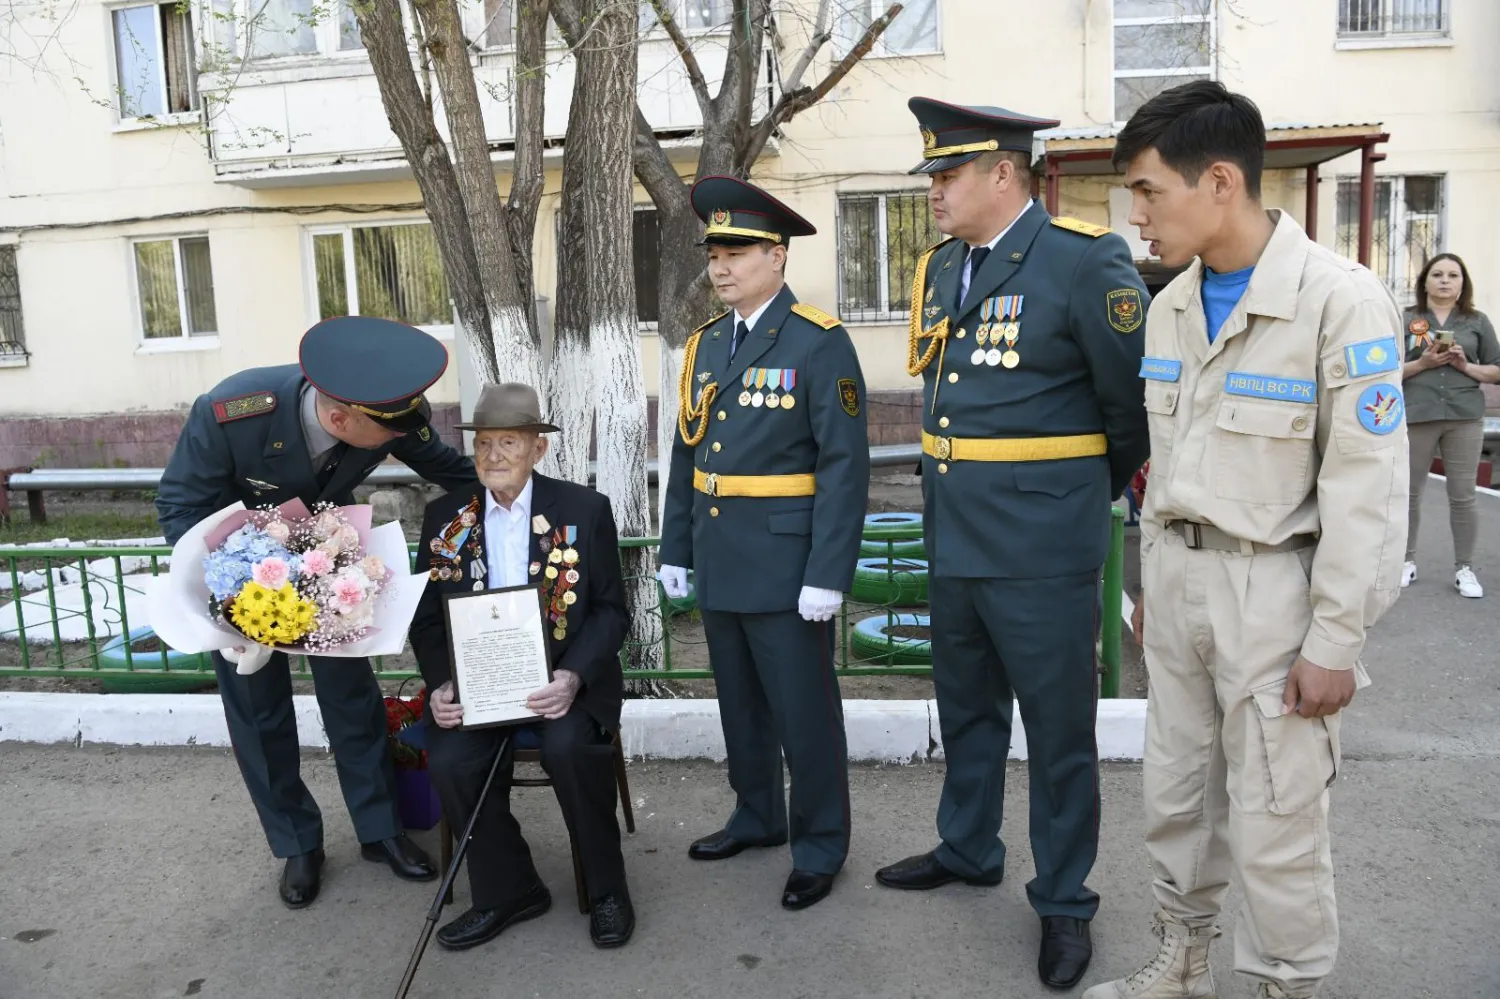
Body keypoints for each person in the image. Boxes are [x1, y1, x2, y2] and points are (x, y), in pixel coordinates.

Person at [1088, 82, 1408, 999]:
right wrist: (1155, 577)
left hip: (1277, 593)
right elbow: (1169, 458)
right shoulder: (1170, 308)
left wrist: (1338, 637)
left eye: (1148, 192)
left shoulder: (1337, 302)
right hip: (1184, 583)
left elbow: (1369, 490)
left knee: (1277, 814)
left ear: (1219, 180)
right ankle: (1183, 960)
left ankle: (1283, 983)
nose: (1136, 216)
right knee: (1177, 797)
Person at [874, 97, 1149, 990]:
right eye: (932, 178)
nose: (935, 194)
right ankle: (969, 845)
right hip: (955, 532)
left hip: (1041, 543)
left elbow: (1129, 412)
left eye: (947, 176)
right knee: (970, 709)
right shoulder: (947, 267)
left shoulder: (1080, 260)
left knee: (1059, 730)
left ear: (1004, 173)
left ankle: (1065, 898)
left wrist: (1072, 498)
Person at [155, 316, 475, 908]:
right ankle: (297, 844)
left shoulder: (379, 411)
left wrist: (528, 494)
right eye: (387, 433)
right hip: (240, 583)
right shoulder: (232, 412)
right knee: (259, 712)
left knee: (352, 698)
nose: (400, 440)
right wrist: (224, 592)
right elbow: (178, 504)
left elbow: (452, 470)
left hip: (329, 565)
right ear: (338, 420)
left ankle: (381, 831)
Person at [657, 175, 870, 912]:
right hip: (719, 557)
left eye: (738, 250)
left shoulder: (818, 342)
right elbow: (686, 455)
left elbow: (844, 466)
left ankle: (820, 844)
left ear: (777, 257)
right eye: (715, 251)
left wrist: (828, 572)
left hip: (787, 566)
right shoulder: (707, 346)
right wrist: (675, 549)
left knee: (804, 712)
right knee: (739, 703)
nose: (721, 265)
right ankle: (756, 814)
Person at [408, 382, 634, 951]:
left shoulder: (584, 509)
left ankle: (607, 888)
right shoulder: (444, 518)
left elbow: (610, 611)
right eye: (483, 444)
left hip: (565, 682)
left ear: (539, 449)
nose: (493, 456)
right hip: (478, 686)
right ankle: (510, 888)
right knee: (452, 759)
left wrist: (572, 677)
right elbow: (427, 621)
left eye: (509, 442)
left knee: (567, 748)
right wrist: (441, 684)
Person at [1399, 252, 1500, 598]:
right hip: (1416, 414)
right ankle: (1405, 561)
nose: (1445, 280)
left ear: (1462, 284)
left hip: (1463, 416)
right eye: (1437, 274)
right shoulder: (1405, 319)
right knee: (1409, 493)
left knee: (1463, 496)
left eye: (1453, 275)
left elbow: (1497, 370)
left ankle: (1465, 568)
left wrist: (1465, 367)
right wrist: (1423, 363)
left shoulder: (1477, 321)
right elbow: (1384, 369)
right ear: (1424, 281)